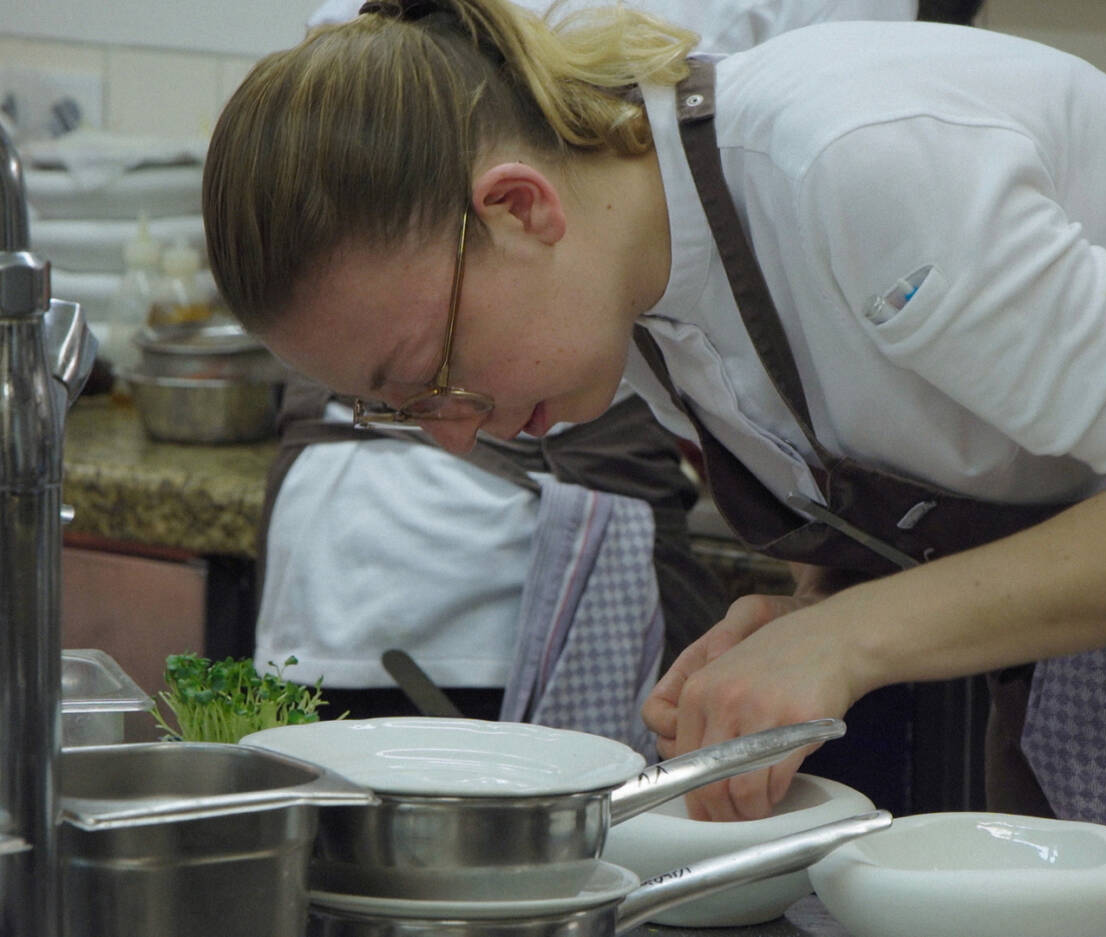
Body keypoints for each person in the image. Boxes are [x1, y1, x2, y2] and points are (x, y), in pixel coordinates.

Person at [201, 2, 1106, 934]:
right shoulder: (638, 298)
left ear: (520, 209)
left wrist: (858, 638)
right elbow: (953, 458)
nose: (453, 428)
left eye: (432, 367)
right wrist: (806, 620)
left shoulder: (855, 168)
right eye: (396, 409)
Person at [260, 0, 917, 738]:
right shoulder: (604, 301)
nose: (454, 436)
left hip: (328, 548)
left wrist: (829, 622)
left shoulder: (835, 155)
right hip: (383, 555)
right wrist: (820, 606)